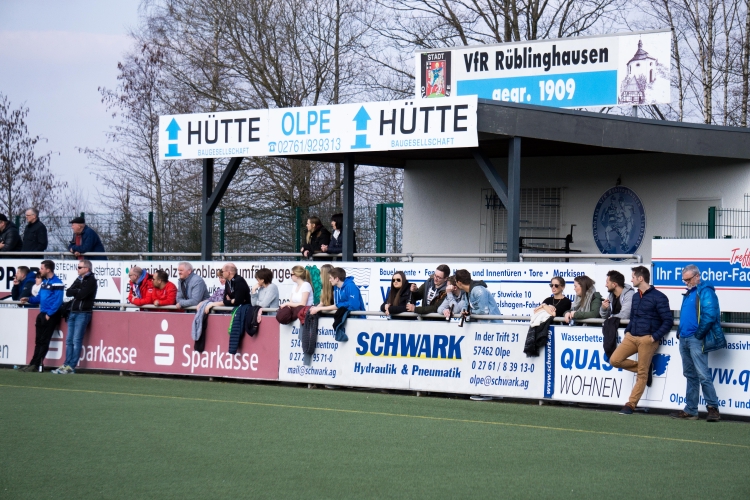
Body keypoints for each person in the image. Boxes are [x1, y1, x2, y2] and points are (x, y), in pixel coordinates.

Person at [610, 266, 673, 415]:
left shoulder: (659, 297)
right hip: (632, 336)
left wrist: (654, 337)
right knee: (614, 360)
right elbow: (633, 316)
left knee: (642, 374)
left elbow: (668, 321)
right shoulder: (636, 296)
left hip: (647, 339)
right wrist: (628, 331)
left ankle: (630, 404)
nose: (631, 280)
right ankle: (645, 368)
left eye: (633, 277)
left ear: (640, 278)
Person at [670, 265, 726, 422]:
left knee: (702, 374)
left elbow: (710, 315)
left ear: (697, 276)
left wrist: (698, 335)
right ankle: (691, 410)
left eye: (688, 279)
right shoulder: (690, 292)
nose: (686, 282)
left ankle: (713, 409)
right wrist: (681, 332)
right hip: (685, 338)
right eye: (684, 280)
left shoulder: (705, 291)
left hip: (695, 339)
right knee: (691, 375)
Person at [52, 260, 98, 375]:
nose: (77, 269)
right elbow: (68, 292)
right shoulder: (79, 279)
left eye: (79, 267)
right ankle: (66, 364)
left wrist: (77, 291)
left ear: (86, 269)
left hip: (83, 313)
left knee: (76, 340)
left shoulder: (91, 280)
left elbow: (82, 295)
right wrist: (78, 291)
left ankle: (71, 366)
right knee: (69, 340)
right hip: (73, 312)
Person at [18, 260, 64, 372]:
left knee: (44, 340)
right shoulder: (44, 283)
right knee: (38, 340)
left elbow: (58, 301)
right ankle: (33, 363)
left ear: (48, 270)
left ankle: (37, 364)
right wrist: (29, 299)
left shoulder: (57, 283)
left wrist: (49, 314)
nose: (40, 270)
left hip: (50, 315)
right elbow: (39, 298)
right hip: (43, 313)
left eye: (42, 268)